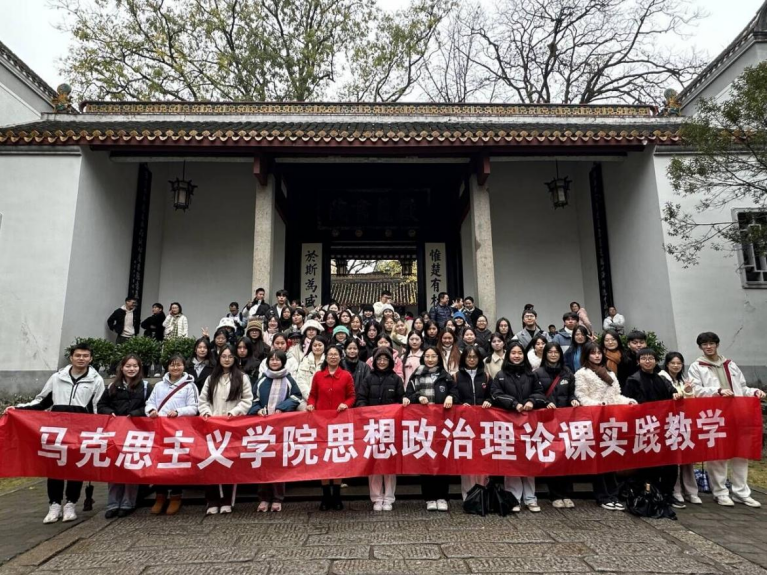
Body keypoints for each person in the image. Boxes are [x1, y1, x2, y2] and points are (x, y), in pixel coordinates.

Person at [8, 343, 105, 524]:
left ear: (91, 359)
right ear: (71, 357)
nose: (81, 359)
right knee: (54, 466)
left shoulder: (96, 380)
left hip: (80, 431)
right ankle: (54, 505)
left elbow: (98, 408)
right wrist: (19, 409)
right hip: (57, 430)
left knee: (76, 467)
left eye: (85, 356)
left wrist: (98, 430)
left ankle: (70, 504)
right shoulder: (57, 377)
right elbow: (42, 401)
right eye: (78, 355)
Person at [688, 332, 765, 508]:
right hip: (714, 415)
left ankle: (741, 492)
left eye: (711, 343)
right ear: (700, 347)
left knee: (740, 453)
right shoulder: (696, 367)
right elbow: (696, 390)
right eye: (704, 344)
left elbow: (742, 387)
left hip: (737, 413)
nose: (708, 347)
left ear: (717, 344)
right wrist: (717, 391)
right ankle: (720, 492)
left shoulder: (730, 364)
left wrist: (754, 392)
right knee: (718, 454)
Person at [574, 342, 636, 510]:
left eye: (599, 353)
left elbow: (616, 395)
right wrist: (598, 405)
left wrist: (628, 401)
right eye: (593, 353)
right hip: (594, 419)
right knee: (599, 460)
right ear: (586, 355)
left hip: (611, 420)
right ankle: (602, 496)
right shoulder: (582, 373)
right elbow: (581, 396)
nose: (597, 356)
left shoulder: (610, 373)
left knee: (611, 458)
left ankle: (613, 495)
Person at [490, 341, 551, 513]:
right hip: (508, 424)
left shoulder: (531, 375)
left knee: (529, 460)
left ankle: (530, 498)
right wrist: (513, 404)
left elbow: (540, 394)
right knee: (511, 461)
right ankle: (513, 498)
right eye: (513, 353)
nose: (516, 356)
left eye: (519, 353)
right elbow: (495, 394)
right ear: (508, 355)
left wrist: (531, 401)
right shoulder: (501, 375)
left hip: (528, 425)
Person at [624, 349, 683, 507]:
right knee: (648, 463)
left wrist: (676, 394)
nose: (648, 361)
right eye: (644, 358)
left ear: (656, 361)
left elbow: (672, 391)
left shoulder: (662, 379)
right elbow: (628, 402)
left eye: (651, 358)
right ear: (638, 361)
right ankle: (648, 493)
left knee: (670, 462)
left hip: (663, 426)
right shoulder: (633, 379)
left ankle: (667, 493)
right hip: (644, 427)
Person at [198, 344, 253, 515]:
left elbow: (247, 400)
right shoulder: (211, 378)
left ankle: (227, 501)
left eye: (230, 356)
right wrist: (207, 413)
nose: (227, 359)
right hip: (212, 426)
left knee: (228, 463)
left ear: (235, 358)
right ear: (219, 358)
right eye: (223, 356)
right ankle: (212, 500)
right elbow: (203, 400)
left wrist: (233, 413)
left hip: (232, 426)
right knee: (210, 462)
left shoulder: (242, 377)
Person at [96, 354, 150, 518]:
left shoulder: (145, 386)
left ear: (140, 368)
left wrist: (135, 414)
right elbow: (101, 405)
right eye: (128, 366)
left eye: (135, 366)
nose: (131, 369)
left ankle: (128, 502)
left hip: (136, 432)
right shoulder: (113, 386)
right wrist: (110, 412)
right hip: (116, 432)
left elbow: (150, 406)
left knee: (131, 465)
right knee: (114, 467)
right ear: (122, 367)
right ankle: (113, 503)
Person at [249, 350, 303, 511]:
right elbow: (253, 398)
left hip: (281, 427)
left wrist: (282, 408)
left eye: (277, 359)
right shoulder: (261, 380)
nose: (274, 362)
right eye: (271, 359)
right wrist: (258, 409)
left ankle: (278, 498)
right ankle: (263, 498)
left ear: (283, 362)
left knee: (278, 463)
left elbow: (296, 397)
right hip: (263, 428)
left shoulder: (289, 379)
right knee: (263, 462)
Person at [145, 353, 199, 515]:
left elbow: (194, 407)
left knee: (176, 463)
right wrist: (151, 411)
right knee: (159, 463)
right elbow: (149, 402)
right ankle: (160, 496)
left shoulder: (190, 386)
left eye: (179, 364)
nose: (175, 368)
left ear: (184, 366)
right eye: (172, 365)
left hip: (179, 431)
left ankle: (176, 496)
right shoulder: (159, 386)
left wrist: (178, 412)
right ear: (167, 367)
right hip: (160, 430)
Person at [405, 347, 457, 512]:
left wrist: (451, 397)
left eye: (433, 356)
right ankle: (429, 497)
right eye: (427, 356)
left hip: (442, 425)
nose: (430, 359)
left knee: (443, 461)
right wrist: (417, 397)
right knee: (426, 460)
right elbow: (408, 395)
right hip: (424, 425)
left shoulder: (445, 376)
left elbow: (455, 392)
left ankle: (442, 497)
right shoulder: (417, 375)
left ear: (438, 358)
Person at [356, 348, 406, 511]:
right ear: (375, 361)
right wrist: (366, 412)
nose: (382, 362)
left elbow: (401, 399)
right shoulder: (368, 378)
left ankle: (389, 498)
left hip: (391, 427)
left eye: (385, 359)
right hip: (372, 427)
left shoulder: (396, 379)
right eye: (379, 359)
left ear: (390, 362)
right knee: (374, 463)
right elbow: (361, 398)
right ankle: (376, 498)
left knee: (390, 462)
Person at [307, 346, 356, 510]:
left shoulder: (346, 375)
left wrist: (346, 404)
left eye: (336, 354)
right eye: (330, 354)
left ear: (340, 357)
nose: (333, 357)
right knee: (324, 458)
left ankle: (336, 496)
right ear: (326, 357)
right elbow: (313, 395)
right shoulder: (318, 375)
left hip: (339, 422)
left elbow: (352, 396)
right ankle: (325, 495)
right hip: (321, 422)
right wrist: (310, 405)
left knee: (337, 458)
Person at [534, 342, 578, 508]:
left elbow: (571, 393)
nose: (553, 355)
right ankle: (555, 495)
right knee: (552, 457)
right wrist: (545, 403)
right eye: (550, 352)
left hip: (566, 420)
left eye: (556, 352)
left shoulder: (567, 373)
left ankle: (567, 493)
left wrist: (573, 400)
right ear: (545, 354)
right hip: (548, 421)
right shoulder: (538, 373)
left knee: (566, 457)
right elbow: (536, 394)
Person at [660, 352, 701, 506]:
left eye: (679, 363)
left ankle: (691, 491)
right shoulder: (662, 377)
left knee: (688, 457)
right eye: (673, 363)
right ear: (667, 364)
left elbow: (691, 400)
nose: (676, 366)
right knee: (673, 458)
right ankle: (675, 490)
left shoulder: (684, 380)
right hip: (670, 423)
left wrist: (688, 391)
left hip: (685, 422)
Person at [454, 346, 491, 500]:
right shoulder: (456, 376)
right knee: (467, 459)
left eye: (474, 357)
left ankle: (482, 494)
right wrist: (460, 404)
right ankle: (468, 496)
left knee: (483, 459)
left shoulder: (486, 376)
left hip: (483, 424)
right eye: (468, 357)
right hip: (464, 424)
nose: (471, 360)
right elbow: (453, 395)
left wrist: (488, 401)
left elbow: (492, 394)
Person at [296, 337, 327, 409]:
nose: (317, 347)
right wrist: (310, 398)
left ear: (325, 346)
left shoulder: (329, 361)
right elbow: (300, 381)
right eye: (315, 345)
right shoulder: (305, 360)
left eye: (320, 345)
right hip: (305, 398)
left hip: (324, 399)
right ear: (311, 347)